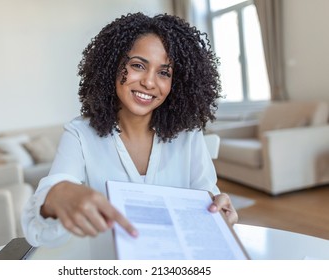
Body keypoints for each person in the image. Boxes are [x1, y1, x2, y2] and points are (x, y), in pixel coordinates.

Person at [21, 12, 238, 247]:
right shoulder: (80, 134)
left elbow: (207, 202)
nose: (149, 82)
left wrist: (220, 211)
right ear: (112, 67)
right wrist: (56, 196)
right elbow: (38, 232)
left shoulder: (189, 135)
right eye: (138, 65)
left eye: (164, 72)